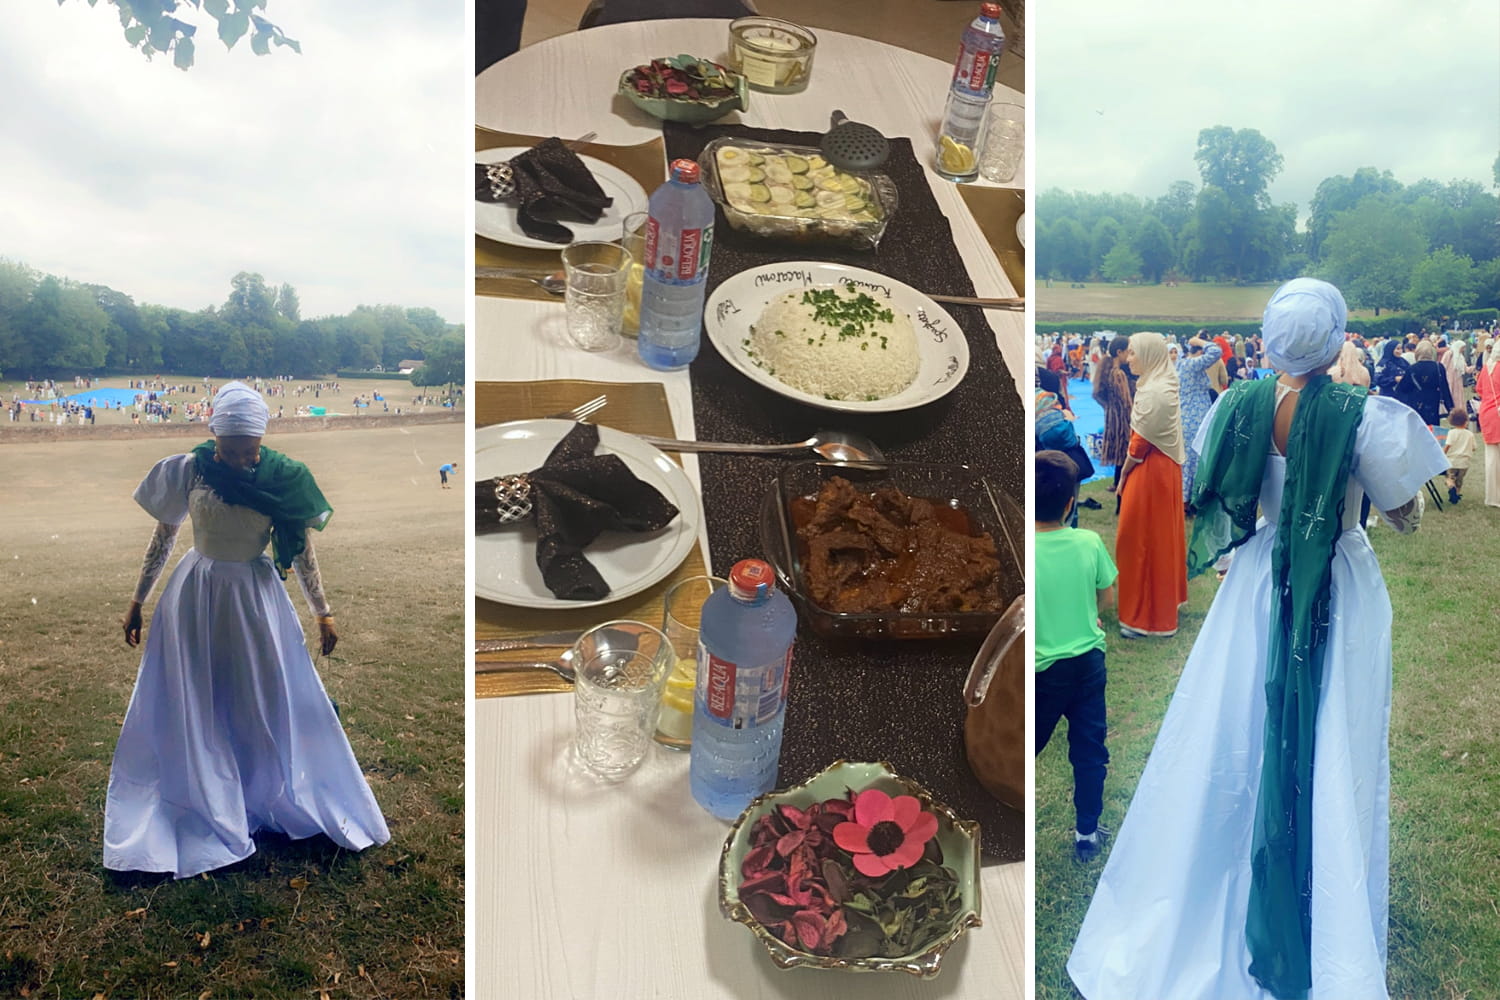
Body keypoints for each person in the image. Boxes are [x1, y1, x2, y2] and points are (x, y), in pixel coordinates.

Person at [1068, 279, 1447, 1000]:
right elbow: (1406, 516)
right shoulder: (1363, 418)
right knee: (1333, 730)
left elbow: (1214, 493)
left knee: (1235, 723)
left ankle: (1225, 875)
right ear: (1336, 340)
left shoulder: (1236, 407)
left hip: (1254, 581)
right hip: (1335, 571)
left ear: (1271, 339)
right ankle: (1320, 893)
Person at [107, 382, 390, 878]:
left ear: (262, 441)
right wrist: (137, 601)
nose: (238, 460)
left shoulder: (285, 479)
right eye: (229, 450)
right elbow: (163, 539)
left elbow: (302, 551)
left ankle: (262, 790)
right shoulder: (190, 470)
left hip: (255, 599)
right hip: (196, 594)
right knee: (197, 694)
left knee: (259, 693)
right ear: (212, 434)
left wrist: (322, 611)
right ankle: (205, 792)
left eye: (249, 451)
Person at [1034, 450, 1118, 864]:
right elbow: (1107, 592)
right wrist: (1093, 617)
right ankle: (1087, 832)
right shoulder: (1089, 542)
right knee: (1089, 752)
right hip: (1087, 665)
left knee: (1025, 746)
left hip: (1040, 673)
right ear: (1071, 503)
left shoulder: (1023, 551)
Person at [1114, 332, 1187, 638]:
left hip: (1149, 472)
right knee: (1159, 536)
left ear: (1148, 355)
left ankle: (1144, 616)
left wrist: (1123, 475)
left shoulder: (1155, 391)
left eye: (1133, 353)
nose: (1128, 358)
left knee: (1139, 538)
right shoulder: (1161, 385)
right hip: (1162, 471)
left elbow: (1139, 444)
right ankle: (1159, 605)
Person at [1176, 334, 1224, 505]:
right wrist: (1199, 342)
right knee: (1194, 461)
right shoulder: (1191, 365)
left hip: (1186, 416)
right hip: (1194, 419)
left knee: (1188, 461)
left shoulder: (1180, 365)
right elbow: (1216, 352)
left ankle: (1186, 499)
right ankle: (1190, 501)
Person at [1093, 337, 1134, 495]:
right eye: (1127, 352)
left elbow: (1097, 394)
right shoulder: (1118, 374)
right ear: (1119, 352)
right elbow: (1126, 402)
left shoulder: (1106, 371)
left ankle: (1117, 484)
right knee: (1124, 454)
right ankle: (1121, 485)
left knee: (1119, 455)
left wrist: (1109, 407)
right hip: (1122, 420)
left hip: (1112, 417)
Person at [1396, 340, 1454, 427]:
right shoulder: (1439, 367)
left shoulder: (1412, 368)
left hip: (1416, 401)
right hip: (1433, 401)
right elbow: (1445, 388)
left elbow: (1403, 388)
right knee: (1432, 428)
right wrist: (1450, 407)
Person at [1477, 339, 1500, 508]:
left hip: (1487, 412)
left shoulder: (1487, 367)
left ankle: (1492, 497)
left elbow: (1479, 389)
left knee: (1491, 457)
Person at [1443, 407, 1475, 504]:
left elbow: (1448, 445)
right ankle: (1456, 493)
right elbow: (1474, 447)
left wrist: (1443, 453)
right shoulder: (1470, 434)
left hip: (1452, 461)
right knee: (1459, 481)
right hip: (1464, 463)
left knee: (1449, 478)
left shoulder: (1451, 433)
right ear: (1466, 421)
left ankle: (1451, 487)